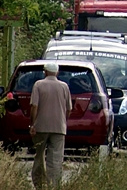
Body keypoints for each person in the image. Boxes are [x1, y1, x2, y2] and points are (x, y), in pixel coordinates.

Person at [29, 61, 71, 189]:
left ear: (45, 72)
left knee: (39, 155)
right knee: (56, 158)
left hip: (41, 126)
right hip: (59, 127)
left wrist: (33, 124)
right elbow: (69, 108)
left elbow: (34, 106)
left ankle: (39, 184)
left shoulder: (38, 85)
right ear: (57, 72)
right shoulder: (64, 87)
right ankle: (53, 185)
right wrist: (64, 121)